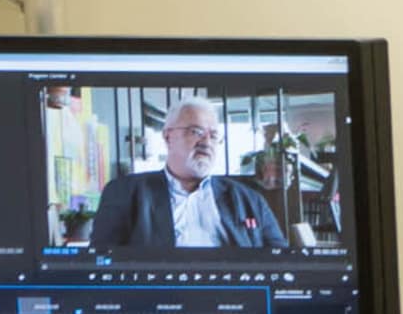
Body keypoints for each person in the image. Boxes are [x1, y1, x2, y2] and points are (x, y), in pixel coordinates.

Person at [87, 98, 294, 251]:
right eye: (195, 131)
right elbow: (101, 261)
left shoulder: (249, 200)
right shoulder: (125, 193)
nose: (206, 142)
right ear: (168, 137)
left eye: (213, 135)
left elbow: (280, 259)